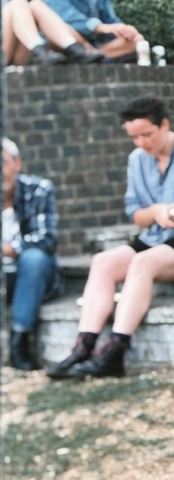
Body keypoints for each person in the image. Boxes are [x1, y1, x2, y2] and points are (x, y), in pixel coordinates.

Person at [45, 96, 174, 379]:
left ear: (164, 124)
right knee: (103, 262)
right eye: (134, 137)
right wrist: (156, 212)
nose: (141, 142)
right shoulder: (136, 159)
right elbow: (136, 214)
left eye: (147, 135)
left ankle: (115, 351)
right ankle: (83, 347)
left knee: (143, 262)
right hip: (157, 237)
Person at [3, 138, 61, 371]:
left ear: (17, 163)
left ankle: (20, 341)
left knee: (34, 258)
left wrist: (10, 249)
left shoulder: (39, 189)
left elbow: (46, 239)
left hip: (30, 272)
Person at [2, 0, 103, 66]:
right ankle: (39, 50)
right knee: (18, 2)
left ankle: (73, 49)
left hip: (14, 54)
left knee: (36, 4)